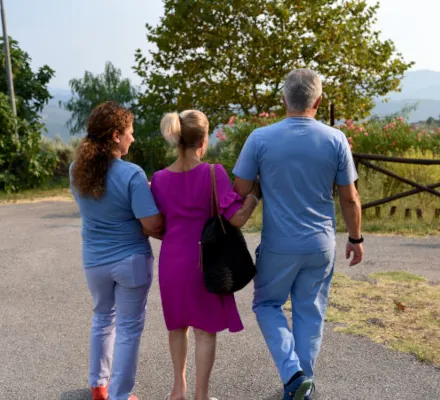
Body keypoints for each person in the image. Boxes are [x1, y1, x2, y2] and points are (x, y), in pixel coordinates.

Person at [232, 68, 364, 400]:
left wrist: (262, 186)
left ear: (284, 100)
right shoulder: (335, 139)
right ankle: (302, 384)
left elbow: (240, 188)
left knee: (266, 304)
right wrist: (356, 237)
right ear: (318, 101)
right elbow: (349, 196)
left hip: (279, 243)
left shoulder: (260, 138)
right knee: (310, 309)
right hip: (321, 242)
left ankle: (293, 375)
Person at [150, 109, 261, 400]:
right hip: (204, 260)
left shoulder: (159, 179)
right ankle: (201, 395)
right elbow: (236, 219)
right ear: (203, 139)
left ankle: (178, 389)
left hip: (172, 261)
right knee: (204, 330)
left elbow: (156, 224)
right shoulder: (214, 173)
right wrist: (254, 196)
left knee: (177, 326)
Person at [69, 101, 164, 400]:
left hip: (94, 261)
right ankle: (121, 396)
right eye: (129, 132)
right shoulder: (132, 174)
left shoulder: (76, 170)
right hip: (131, 261)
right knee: (129, 329)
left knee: (101, 318)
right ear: (115, 136)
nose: (132, 138)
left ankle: (99, 386)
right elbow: (152, 224)